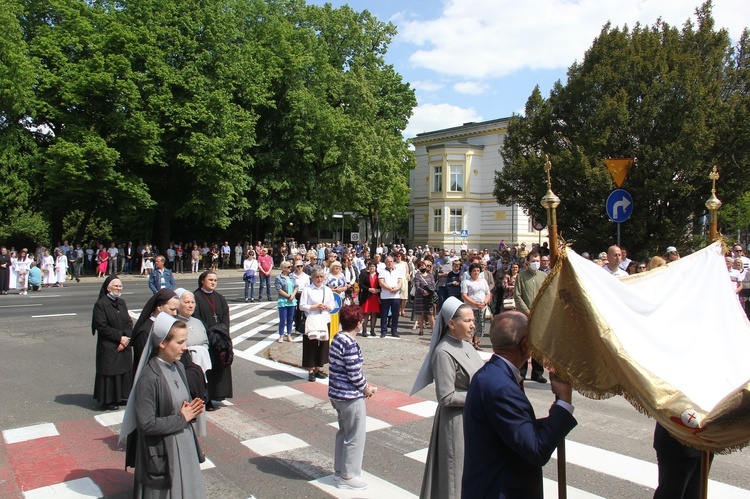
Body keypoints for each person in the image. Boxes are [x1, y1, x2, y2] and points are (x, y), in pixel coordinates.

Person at [462, 312, 577, 498]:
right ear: (525, 345)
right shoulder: (501, 387)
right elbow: (536, 450)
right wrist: (563, 402)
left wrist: (551, 421)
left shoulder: (492, 374)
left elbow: (510, 428)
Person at [120, 313, 207, 498]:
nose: (184, 348)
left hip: (185, 447)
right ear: (162, 343)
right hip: (164, 455)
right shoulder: (149, 378)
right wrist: (182, 417)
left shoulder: (179, 367)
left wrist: (191, 409)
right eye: (179, 342)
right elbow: (145, 424)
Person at [411, 297, 484, 499]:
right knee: (454, 478)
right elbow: (446, 396)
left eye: (473, 320)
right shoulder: (443, 352)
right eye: (468, 321)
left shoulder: (467, 346)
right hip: (455, 423)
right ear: (452, 324)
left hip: (472, 420)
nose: (473, 324)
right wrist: (481, 397)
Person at [328, 304, 376, 491]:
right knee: (355, 435)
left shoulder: (338, 338)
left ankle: (340, 470)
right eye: (361, 320)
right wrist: (367, 389)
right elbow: (354, 373)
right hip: (349, 396)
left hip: (336, 394)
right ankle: (349, 476)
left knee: (344, 432)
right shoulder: (350, 344)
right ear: (357, 323)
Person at [91, 277, 132, 410]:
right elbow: (101, 326)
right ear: (108, 288)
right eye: (115, 286)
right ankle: (108, 400)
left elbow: (128, 322)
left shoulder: (122, 302)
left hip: (123, 343)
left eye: (120, 286)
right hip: (109, 344)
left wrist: (126, 338)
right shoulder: (101, 304)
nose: (118, 288)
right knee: (110, 371)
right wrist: (120, 338)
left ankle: (121, 397)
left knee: (123, 370)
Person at [193, 270, 232, 411]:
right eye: (210, 280)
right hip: (206, 340)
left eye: (215, 280)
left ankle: (218, 395)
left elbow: (225, 317)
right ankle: (206, 399)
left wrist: (222, 333)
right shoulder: (196, 297)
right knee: (206, 370)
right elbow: (196, 318)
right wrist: (210, 334)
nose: (213, 282)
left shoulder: (220, 298)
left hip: (219, 340)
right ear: (202, 280)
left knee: (219, 368)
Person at [513, 251, 548, 383]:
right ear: (527, 262)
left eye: (538, 261)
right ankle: (521, 372)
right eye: (533, 261)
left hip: (539, 316)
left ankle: (537, 373)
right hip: (524, 315)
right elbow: (517, 296)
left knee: (538, 345)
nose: (536, 263)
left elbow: (546, 296)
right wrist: (527, 312)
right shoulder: (521, 276)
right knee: (524, 343)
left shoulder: (544, 276)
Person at [131, 289, 179, 381]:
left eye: (176, 310)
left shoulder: (167, 326)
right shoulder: (145, 331)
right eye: (172, 309)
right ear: (159, 308)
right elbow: (145, 362)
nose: (175, 313)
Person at [299, 267, 335, 381]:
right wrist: (314, 307)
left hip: (324, 319)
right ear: (312, 278)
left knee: (323, 345)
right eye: (316, 277)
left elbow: (332, 305)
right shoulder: (307, 290)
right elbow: (302, 306)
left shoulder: (327, 290)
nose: (319, 279)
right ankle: (310, 370)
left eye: (321, 277)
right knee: (311, 344)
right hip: (311, 319)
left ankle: (318, 368)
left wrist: (326, 307)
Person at [461, 262, 491, 351]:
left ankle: (476, 342)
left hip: (481, 307)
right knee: (470, 325)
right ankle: (469, 342)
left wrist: (484, 303)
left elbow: (488, 293)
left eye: (478, 271)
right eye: (474, 271)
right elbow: (464, 295)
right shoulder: (467, 282)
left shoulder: (483, 281)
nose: (476, 272)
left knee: (480, 325)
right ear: (470, 272)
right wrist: (475, 304)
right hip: (471, 307)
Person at [378, 255, 403, 338]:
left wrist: (396, 288)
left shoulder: (397, 271)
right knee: (384, 314)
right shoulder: (382, 272)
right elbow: (381, 282)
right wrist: (390, 289)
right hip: (385, 296)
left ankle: (394, 331)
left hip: (396, 296)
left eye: (391, 261)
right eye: (388, 261)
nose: (389, 263)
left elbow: (400, 282)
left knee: (395, 314)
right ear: (385, 263)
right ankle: (383, 331)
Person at [275, 261, 298, 343]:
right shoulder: (278, 278)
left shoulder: (292, 277)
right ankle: (281, 335)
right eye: (288, 267)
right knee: (282, 319)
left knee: (290, 319)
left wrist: (292, 296)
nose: (290, 269)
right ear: (283, 268)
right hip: (283, 301)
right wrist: (288, 296)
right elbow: (279, 289)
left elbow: (296, 287)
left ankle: (289, 334)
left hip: (292, 301)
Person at [357, 260, 380, 337]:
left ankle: (372, 330)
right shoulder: (364, 274)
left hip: (375, 296)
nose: (372, 268)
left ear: (376, 267)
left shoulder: (379, 275)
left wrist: (378, 290)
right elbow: (361, 284)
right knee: (366, 314)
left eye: (373, 266)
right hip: (367, 296)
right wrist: (368, 289)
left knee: (374, 314)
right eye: (370, 266)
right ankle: (364, 330)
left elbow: (381, 285)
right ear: (368, 267)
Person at [413, 260, 436, 336]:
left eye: (423, 266)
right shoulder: (417, 276)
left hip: (429, 297)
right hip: (420, 297)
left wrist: (429, 292)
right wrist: (424, 292)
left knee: (430, 314)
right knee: (420, 314)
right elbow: (417, 286)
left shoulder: (430, 275)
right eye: (420, 266)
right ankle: (421, 330)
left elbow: (433, 285)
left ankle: (434, 330)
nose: (422, 267)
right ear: (418, 268)